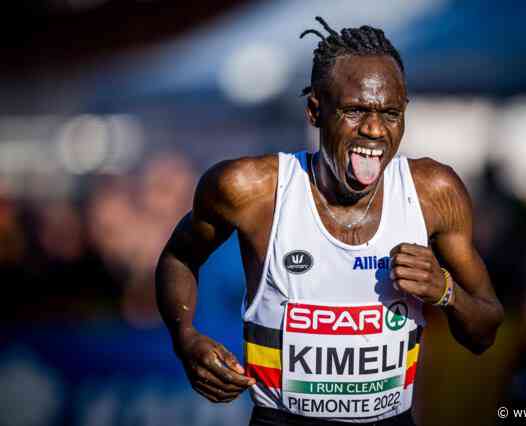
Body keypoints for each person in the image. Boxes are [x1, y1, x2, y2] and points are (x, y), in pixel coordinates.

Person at [155, 17, 504, 426]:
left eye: (390, 113)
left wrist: (444, 290)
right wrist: (185, 337)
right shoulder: (249, 190)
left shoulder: (433, 193)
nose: (374, 129)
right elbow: (179, 257)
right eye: (356, 111)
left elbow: (485, 330)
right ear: (315, 111)